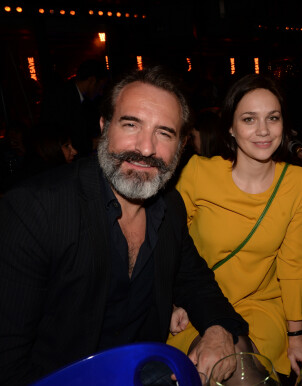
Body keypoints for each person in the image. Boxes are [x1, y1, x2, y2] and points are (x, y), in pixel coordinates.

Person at [0, 66, 248, 385]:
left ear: (182, 145)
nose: (146, 148)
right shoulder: (35, 210)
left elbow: (195, 281)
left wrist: (217, 329)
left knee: (245, 357)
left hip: (145, 373)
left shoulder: (169, 206)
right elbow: (8, 361)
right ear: (104, 127)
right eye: (131, 124)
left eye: (164, 133)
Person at [167, 74, 302, 378]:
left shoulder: (297, 182)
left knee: (238, 356)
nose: (263, 130)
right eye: (249, 119)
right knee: (216, 361)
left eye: (272, 118)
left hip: (260, 305)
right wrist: (174, 299)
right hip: (198, 303)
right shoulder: (198, 172)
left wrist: (296, 335)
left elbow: (292, 264)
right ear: (231, 128)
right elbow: (168, 243)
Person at [40, 59, 109, 157]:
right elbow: (66, 136)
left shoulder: (78, 97)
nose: (100, 92)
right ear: (92, 81)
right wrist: (92, 143)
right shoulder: (63, 98)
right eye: (101, 87)